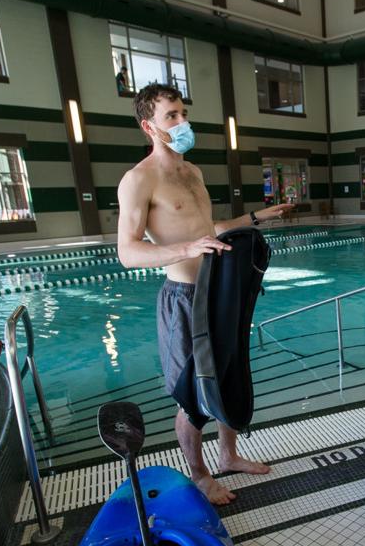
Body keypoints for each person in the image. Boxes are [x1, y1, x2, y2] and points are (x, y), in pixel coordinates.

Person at [116, 83, 293, 504]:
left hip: (218, 291)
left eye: (182, 113)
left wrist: (255, 216)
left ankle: (228, 456)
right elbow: (127, 251)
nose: (182, 122)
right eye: (171, 116)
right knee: (192, 396)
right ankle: (199, 476)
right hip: (183, 298)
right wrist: (187, 248)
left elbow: (207, 232)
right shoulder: (139, 179)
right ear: (149, 126)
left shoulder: (191, 172)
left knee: (227, 378)